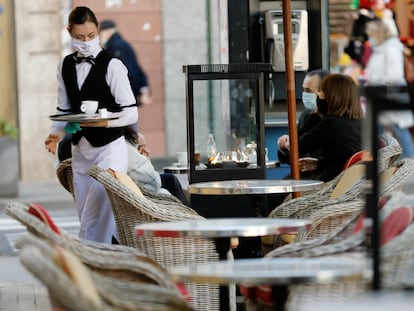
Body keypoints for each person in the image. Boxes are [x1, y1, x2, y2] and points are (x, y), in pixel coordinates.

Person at [44, 6, 138, 244]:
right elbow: (65, 109)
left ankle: (86, 266)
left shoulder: (113, 65)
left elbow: (131, 113)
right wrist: (55, 134)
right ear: (69, 32)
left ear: (97, 31)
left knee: (94, 218)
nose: (86, 42)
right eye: (79, 37)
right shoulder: (64, 66)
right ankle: (115, 262)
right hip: (81, 151)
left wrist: (106, 122)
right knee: (87, 214)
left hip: (110, 151)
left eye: (91, 36)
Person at [298, 74, 363, 182]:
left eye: (321, 91)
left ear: (332, 96)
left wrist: (316, 115)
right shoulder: (361, 122)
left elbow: (298, 146)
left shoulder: (331, 123)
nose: (317, 94)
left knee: (280, 197)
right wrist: (319, 163)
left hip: (331, 189)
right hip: (351, 187)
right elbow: (345, 158)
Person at [365, 18, 414, 158]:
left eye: (370, 33)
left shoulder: (391, 47)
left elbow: (394, 74)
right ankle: (379, 160)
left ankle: (409, 161)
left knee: (399, 127)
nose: (369, 37)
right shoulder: (381, 48)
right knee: (378, 129)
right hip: (381, 94)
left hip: (391, 93)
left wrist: (377, 82)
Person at [277, 69, 331, 180]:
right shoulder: (306, 116)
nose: (305, 95)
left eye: (308, 91)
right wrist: (284, 147)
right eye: (303, 90)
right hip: (302, 174)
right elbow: (295, 153)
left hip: (320, 179)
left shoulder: (331, 120)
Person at [99, 19, 152, 109]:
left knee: (126, 121)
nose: (99, 36)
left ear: (107, 31)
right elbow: (136, 68)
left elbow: (128, 72)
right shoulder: (121, 45)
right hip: (127, 96)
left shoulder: (117, 48)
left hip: (123, 97)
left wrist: (138, 92)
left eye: (100, 33)